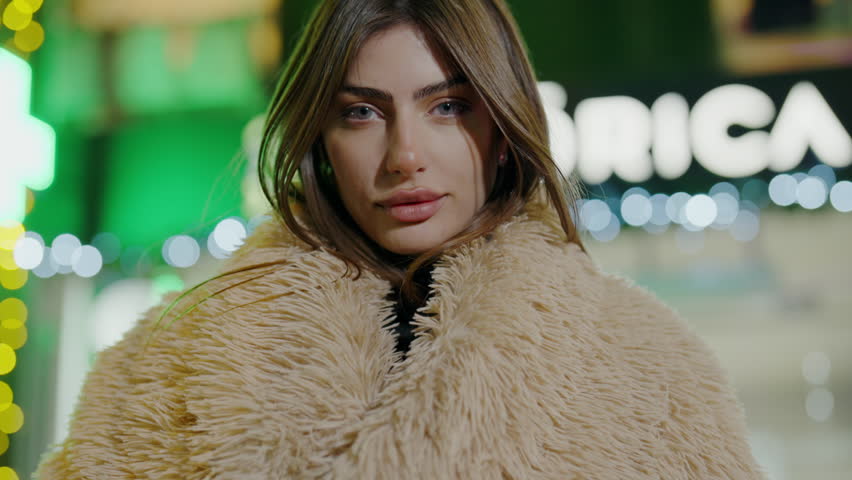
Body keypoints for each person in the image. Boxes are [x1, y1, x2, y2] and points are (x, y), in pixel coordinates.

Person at [36, 0, 766, 478]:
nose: (404, 155)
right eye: (361, 113)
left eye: (447, 106)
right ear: (317, 137)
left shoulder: (649, 369)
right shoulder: (174, 364)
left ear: (503, 127)